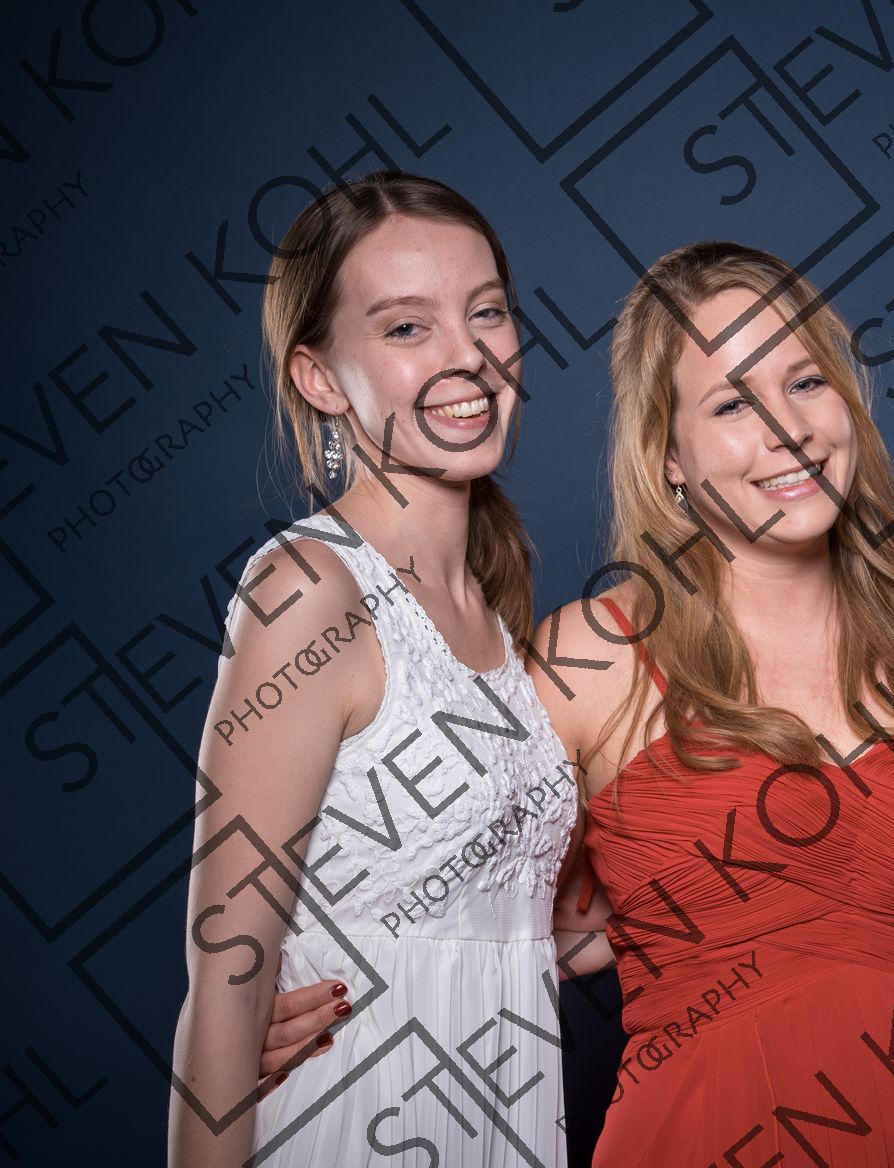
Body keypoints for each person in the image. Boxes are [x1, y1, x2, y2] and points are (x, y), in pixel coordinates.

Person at [261, 239, 894, 1165]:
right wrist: (294, 1006)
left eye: (807, 382)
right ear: (668, 458)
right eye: (733, 404)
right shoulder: (592, 659)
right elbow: (464, 914)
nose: (789, 430)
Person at [169, 172, 579, 1166]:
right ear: (319, 378)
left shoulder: (497, 607)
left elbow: (506, 927)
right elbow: (225, 984)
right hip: (357, 1123)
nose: (466, 355)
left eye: (487, 312)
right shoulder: (311, 590)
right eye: (406, 328)